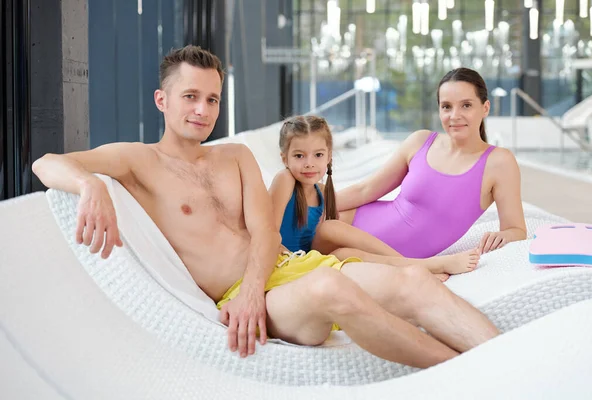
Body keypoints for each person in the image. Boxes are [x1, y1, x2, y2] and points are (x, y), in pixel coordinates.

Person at [32, 46, 499, 368]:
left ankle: (506, 356)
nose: (202, 109)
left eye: (212, 99)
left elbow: (266, 231)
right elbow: (46, 162)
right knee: (332, 290)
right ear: (163, 100)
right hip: (259, 297)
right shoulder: (138, 160)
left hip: (284, 271)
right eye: (190, 96)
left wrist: (257, 286)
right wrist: (88, 184)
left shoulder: (233, 157)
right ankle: (466, 373)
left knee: (412, 279)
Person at [322, 68, 527, 267]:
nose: (454, 115)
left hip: (377, 255)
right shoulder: (420, 141)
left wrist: (502, 236)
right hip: (347, 224)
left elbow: (516, 229)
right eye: (446, 106)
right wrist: (314, 208)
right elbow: (365, 190)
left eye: (466, 105)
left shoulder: (499, 162)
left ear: (485, 108)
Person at [270, 114, 478, 280]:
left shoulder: (321, 191)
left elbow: (361, 192)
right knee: (331, 229)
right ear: (284, 158)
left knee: (342, 246)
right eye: (299, 156)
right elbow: (268, 233)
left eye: (318, 155)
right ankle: (422, 266)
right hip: (287, 262)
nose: (309, 163)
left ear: (329, 157)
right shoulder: (285, 180)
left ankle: (411, 267)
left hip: (309, 257)